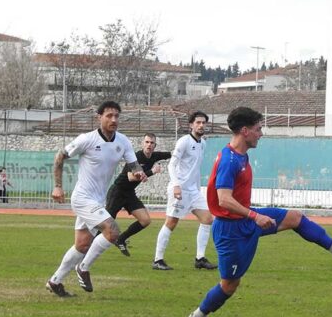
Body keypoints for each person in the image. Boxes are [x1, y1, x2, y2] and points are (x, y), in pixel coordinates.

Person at [186, 107, 332, 317]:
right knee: (229, 285)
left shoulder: (241, 155)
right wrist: (255, 215)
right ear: (245, 131)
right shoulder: (229, 161)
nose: (261, 134)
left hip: (245, 219)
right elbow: (223, 200)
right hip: (230, 231)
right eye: (258, 129)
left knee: (295, 217)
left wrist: (252, 216)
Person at [45, 101, 146, 297]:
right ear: (98, 117)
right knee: (113, 230)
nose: (113, 119)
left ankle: (55, 281)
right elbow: (60, 156)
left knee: (82, 244)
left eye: (116, 116)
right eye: (109, 115)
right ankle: (83, 268)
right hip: (83, 198)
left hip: (97, 201)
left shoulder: (123, 141)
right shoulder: (87, 139)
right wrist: (58, 186)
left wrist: (140, 173)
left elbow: (134, 165)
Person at [152, 111, 217, 271]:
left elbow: (194, 169)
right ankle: (158, 260)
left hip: (193, 191)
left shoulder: (203, 143)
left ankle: (200, 258)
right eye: (198, 122)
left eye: (203, 123)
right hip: (179, 189)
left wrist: (197, 187)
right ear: (191, 125)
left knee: (208, 218)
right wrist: (176, 185)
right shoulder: (184, 142)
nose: (201, 125)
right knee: (171, 222)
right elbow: (171, 164)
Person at [106, 133, 171, 256]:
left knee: (145, 220)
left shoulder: (154, 156)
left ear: (155, 145)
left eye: (152, 143)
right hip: (118, 191)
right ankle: (87, 247)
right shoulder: (135, 157)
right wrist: (151, 171)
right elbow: (130, 177)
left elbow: (172, 154)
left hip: (130, 194)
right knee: (107, 223)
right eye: (146, 142)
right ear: (142, 144)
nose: (149, 145)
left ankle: (121, 239)